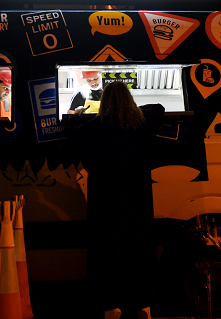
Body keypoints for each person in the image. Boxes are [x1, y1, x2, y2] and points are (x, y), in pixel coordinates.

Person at [71, 81, 156, 319]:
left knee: (108, 251)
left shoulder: (93, 127)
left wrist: (78, 116)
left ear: (104, 101)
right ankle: (141, 304)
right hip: (137, 200)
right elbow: (157, 107)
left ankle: (111, 305)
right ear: (129, 100)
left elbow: (86, 160)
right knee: (137, 250)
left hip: (106, 201)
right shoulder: (140, 125)